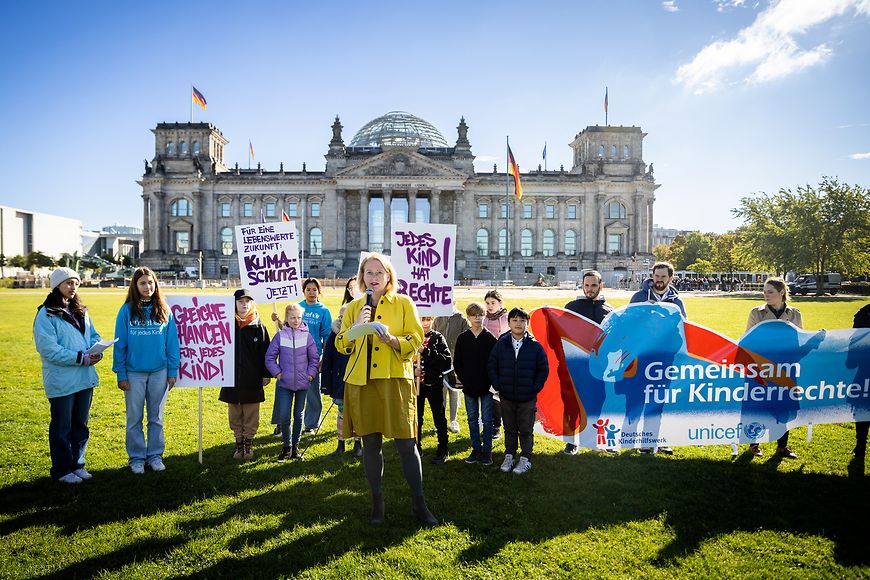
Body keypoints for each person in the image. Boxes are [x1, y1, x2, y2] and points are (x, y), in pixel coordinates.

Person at [335, 253, 436, 525]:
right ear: (361, 277)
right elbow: (341, 345)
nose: (374, 278)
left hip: (394, 380)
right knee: (370, 444)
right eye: (369, 273)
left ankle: (419, 503)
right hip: (361, 382)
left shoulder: (404, 303)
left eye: (380, 272)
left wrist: (392, 339)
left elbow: (416, 339)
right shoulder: (356, 307)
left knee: (406, 444)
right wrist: (356, 328)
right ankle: (377, 502)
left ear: (389, 276)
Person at [33, 267, 103, 484]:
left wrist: (96, 349)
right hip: (62, 380)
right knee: (62, 427)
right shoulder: (45, 314)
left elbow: (93, 335)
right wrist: (81, 357)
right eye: (68, 283)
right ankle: (62, 470)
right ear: (57, 286)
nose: (73, 287)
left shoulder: (80, 309)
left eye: (76, 283)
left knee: (80, 425)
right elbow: (49, 350)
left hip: (84, 378)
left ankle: (77, 465)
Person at [113, 267, 180, 474]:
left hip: (159, 372)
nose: (147, 287)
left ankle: (154, 456)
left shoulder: (164, 309)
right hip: (134, 373)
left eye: (150, 282)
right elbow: (120, 344)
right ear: (135, 285)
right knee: (134, 418)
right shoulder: (126, 311)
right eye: (142, 283)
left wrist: (172, 370)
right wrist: (121, 373)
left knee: (156, 418)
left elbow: (172, 343)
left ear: (155, 284)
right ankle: (136, 458)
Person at [744, 277, 804, 459]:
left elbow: (798, 341)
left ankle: (782, 447)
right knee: (759, 405)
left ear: (782, 293)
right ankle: (754, 443)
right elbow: (748, 340)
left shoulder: (795, 314)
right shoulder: (756, 313)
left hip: (786, 367)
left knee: (784, 405)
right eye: (764, 291)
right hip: (760, 367)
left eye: (770, 292)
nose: (766, 295)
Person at [629, 261, 685, 454]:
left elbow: (683, 328)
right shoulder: (639, 296)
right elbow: (628, 323)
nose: (659, 280)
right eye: (656, 276)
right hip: (642, 356)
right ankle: (630, 439)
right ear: (651, 276)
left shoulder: (677, 300)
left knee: (658, 400)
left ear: (670, 278)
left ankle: (653, 439)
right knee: (636, 398)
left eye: (663, 276)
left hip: (665, 358)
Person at [488, 307, 549, 475]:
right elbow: (492, 365)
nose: (518, 324)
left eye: (522, 320)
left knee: (526, 429)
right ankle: (509, 455)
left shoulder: (534, 346)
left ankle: (525, 458)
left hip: (527, 398)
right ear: (508, 323)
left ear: (527, 324)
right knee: (509, 428)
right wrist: (498, 384)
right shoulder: (502, 343)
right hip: (506, 396)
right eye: (514, 320)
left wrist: (533, 388)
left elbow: (543, 369)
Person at [563, 270, 614, 455]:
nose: (589, 289)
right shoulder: (571, 307)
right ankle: (571, 442)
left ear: (601, 286)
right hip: (576, 365)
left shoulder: (609, 311)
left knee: (598, 404)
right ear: (582, 285)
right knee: (573, 404)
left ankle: (594, 439)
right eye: (586, 285)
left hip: (599, 366)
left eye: (593, 285)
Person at [218, 289, 271, 461]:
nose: (244, 304)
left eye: (248, 301)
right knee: (234, 414)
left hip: (251, 379)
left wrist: (265, 373)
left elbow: (266, 353)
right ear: (233, 303)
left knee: (250, 414)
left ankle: (248, 444)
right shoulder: (226, 323)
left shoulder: (258, 327)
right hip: (231, 377)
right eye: (241, 301)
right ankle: (238, 444)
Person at [265, 302, 319, 461]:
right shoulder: (280, 336)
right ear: (286, 318)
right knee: (284, 416)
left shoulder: (307, 336)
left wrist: (310, 374)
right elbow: (269, 358)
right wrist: (277, 373)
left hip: (303, 384)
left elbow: (314, 358)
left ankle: (295, 447)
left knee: (298, 415)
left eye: (299, 317)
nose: (296, 321)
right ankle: (286, 447)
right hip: (284, 384)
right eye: (292, 317)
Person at [453, 302, 498, 466]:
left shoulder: (490, 338)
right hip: (469, 387)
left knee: (487, 419)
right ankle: (476, 448)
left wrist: (491, 381)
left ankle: (487, 451)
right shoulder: (463, 338)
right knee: (472, 419)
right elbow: (457, 362)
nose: (477, 318)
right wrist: (465, 379)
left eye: (480, 315)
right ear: (468, 317)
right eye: (474, 315)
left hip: (486, 387)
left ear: (484, 316)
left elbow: (495, 362)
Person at [321, 305, 363, 457]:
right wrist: (326, 384)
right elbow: (328, 359)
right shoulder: (334, 335)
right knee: (342, 411)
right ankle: (341, 443)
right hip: (340, 379)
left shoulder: (361, 334)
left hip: (358, 379)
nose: (342, 319)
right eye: (341, 317)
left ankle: (358, 444)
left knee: (358, 412)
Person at [416, 315, 452, 464]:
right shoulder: (412, 337)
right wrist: (412, 370)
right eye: (422, 320)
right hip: (416, 385)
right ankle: (416, 447)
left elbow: (446, 361)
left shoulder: (438, 338)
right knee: (416, 418)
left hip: (433, 384)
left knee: (439, 417)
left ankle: (443, 449)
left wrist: (426, 351)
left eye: (428, 319)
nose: (425, 323)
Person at [298, 278, 332, 433]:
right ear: (303, 291)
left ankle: (311, 425)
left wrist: (323, 359)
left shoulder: (324, 311)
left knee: (312, 393)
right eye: (308, 289)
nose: (311, 293)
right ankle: (283, 423)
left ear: (319, 291)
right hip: (295, 355)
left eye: (314, 290)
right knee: (290, 390)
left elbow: (327, 337)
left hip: (313, 357)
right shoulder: (297, 307)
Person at [433, 302, 470, 433]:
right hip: (440, 362)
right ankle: (440, 420)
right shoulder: (438, 318)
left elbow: (467, 338)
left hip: (455, 362)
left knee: (454, 392)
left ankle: (453, 420)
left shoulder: (461, 319)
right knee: (441, 392)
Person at [483, 289, 509, 439]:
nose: (490, 306)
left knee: (500, 395)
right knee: (490, 396)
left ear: (500, 303)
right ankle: (494, 425)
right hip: (486, 361)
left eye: (493, 303)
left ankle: (507, 425)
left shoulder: (506, 318)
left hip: (502, 361)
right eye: (487, 303)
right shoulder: (483, 318)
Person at [851, 303, 870, 458]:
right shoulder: (864, 314)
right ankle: (861, 444)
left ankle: (860, 444)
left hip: (862, 371)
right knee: (862, 409)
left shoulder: (864, 313)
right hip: (864, 371)